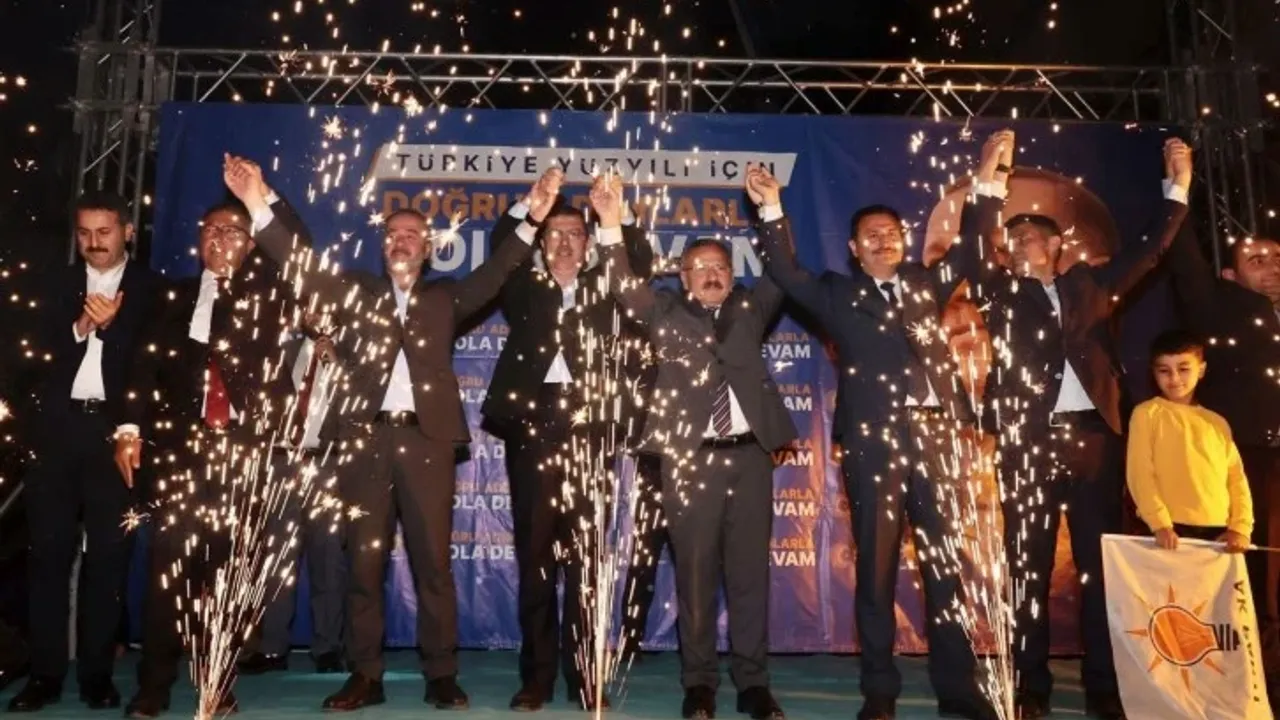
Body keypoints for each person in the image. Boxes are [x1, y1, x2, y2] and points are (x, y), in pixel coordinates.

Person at [222, 153, 544, 711]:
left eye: (412, 234)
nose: (401, 241)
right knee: (363, 567)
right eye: (393, 234)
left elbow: (496, 273)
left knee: (433, 565)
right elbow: (298, 263)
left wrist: (533, 218)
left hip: (427, 444)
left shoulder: (445, 298)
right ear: (382, 245)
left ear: (429, 248)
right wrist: (256, 201)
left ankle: (441, 673)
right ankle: (365, 675)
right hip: (364, 444)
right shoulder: (354, 290)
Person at [960, 131, 1191, 720]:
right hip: (1028, 444)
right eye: (1012, 238)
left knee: (1099, 568)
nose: (1020, 244)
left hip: (1093, 440)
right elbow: (972, 248)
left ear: (1057, 245)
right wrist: (988, 177)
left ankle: (1104, 685)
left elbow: (1150, 252)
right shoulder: (1000, 293)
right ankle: (1030, 686)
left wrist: (1179, 187)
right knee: (1027, 567)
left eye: (1031, 236)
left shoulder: (1090, 284)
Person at [752, 163, 991, 720]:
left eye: (892, 233)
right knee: (877, 571)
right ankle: (879, 691)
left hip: (935, 437)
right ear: (855, 249)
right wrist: (770, 207)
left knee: (946, 568)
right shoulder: (838, 294)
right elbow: (786, 271)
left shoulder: (925, 282)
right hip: (873, 444)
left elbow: (972, 247)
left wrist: (987, 181)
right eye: (872, 235)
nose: (885, 241)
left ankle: (958, 689)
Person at [599, 174, 791, 720]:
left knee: (750, 577)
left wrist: (772, 208)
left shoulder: (752, 309)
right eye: (701, 267)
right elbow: (622, 283)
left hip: (750, 459)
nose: (712, 274)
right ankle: (699, 684)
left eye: (721, 267)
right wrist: (610, 222)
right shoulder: (663, 311)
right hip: (689, 462)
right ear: (683, 278)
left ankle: (753, 684)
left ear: (732, 275)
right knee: (696, 576)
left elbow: (782, 269)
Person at [113, 192, 293, 718]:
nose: (219, 238)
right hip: (179, 454)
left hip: (242, 453)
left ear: (252, 243)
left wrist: (263, 198)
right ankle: (154, 685)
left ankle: (217, 682)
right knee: (167, 572)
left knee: (227, 575)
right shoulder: (171, 297)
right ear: (198, 240)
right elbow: (142, 366)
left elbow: (296, 247)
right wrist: (128, 428)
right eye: (211, 229)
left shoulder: (268, 295)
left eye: (233, 230)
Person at [481, 172, 654, 711]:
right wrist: (529, 207)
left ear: (588, 241)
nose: (562, 242)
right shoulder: (521, 284)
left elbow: (640, 260)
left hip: (591, 430)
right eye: (552, 233)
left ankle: (585, 675)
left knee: (586, 559)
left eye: (574, 233)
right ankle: (536, 678)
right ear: (540, 240)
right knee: (536, 558)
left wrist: (615, 216)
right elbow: (499, 248)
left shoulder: (609, 283)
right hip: (532, 427)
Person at [5, 192, 161, 713]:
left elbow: (150, 365)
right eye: (85, 233)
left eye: (104, 232)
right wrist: (80, 328)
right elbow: (28, 358)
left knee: (109, 559)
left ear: (128, 231)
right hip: (54, 433)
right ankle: (45, 675)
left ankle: (97, 676)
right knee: (47, 556)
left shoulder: (153, 289)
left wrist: (113, 327)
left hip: (117, 435)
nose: (94, 242)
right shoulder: (52, 283)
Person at [1167, 211, 1280, 702]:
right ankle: (1258, 678)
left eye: (1278, 258)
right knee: (1254, 572)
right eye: (1257, 260)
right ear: (1230, 277)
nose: (1273, 267)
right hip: (1250, 460)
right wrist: (1177, 193)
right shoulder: (1223, 312)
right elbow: (1187, 268)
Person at [236, 312, 346, 677]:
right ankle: (272, 648)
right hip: (281, 462)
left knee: (328, 559)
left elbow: (359, 406)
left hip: (327, 464)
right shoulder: (281, 350)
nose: (315, 313)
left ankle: (328, 647)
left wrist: (337, 364)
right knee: (276, 561)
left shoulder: (351, 353)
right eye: (308, 307)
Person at [1127, 330, 1252, 550]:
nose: (1174, 378)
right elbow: (1140, 473)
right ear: (1153, 373)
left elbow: (1236, 479)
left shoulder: (1217, 422)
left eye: (1183, 369)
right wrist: (1159, 523)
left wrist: (1240, 527)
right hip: (1168, 530)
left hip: (1218, 531)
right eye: (1164, 371)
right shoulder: (1146, 414)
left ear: (1201, 369)